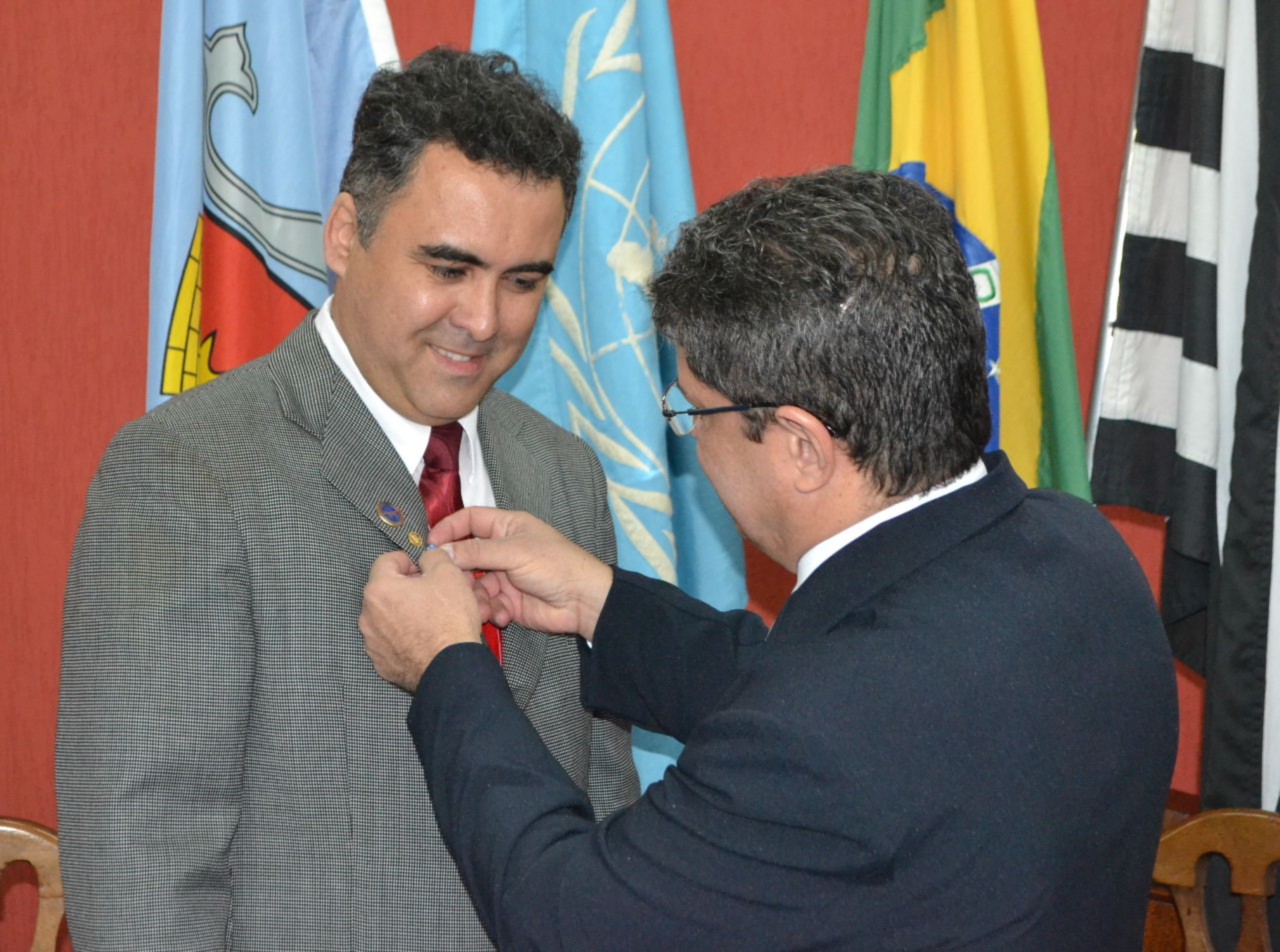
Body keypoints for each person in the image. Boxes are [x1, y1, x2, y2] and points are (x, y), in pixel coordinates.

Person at [359, 166, 1180, 950]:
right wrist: (602, 603)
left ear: (801, 448)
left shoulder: (823, 741)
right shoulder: (1083, 554)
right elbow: (853, 697)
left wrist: (446, 665)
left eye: (694, 411)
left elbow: (566, 916)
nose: (691, 438)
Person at [57, 48, 637, 952]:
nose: (485, 320)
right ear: (343, 234)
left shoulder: (564, 473)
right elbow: (143, 881)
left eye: (524, 281)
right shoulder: (185, 471)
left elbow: (604, 810)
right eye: (448, 267)